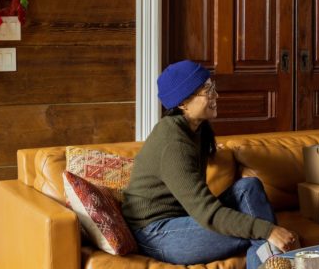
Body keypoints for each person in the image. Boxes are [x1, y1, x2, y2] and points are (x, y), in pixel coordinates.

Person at [122, 60, 296, 269]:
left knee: (249, 187)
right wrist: (268, 230)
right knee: (259, 235)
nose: (216, 96)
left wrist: (265, 229)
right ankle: (275, 262)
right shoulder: (173, 143)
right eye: (208, 90)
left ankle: (271, 261)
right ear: (183, 102)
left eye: (213, 87)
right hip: (157, 234)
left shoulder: (198, 129)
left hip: (183, 219)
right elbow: (206, 212)